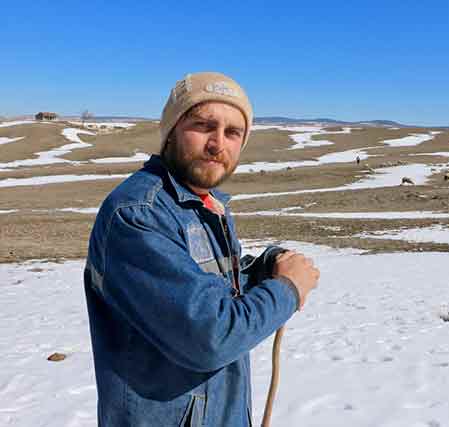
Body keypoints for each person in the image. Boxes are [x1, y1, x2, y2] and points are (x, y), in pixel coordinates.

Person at [84, 71, 320, 426]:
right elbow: (212, 336)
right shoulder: (138, 214)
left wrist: (266, 267)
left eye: (232, 132)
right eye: (203, 125)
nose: (217, 143)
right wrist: (287, 290)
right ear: (171, 130)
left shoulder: (202, 206)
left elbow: (211, 290)